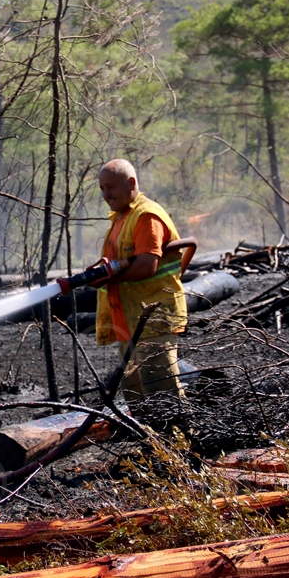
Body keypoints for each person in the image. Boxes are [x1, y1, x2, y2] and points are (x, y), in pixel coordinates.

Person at [94, 158, 188, 411]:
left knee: (160, 389)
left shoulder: (146, 215)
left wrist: (108, 277)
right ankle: (152, 446)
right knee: (135, 391)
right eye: (102, 188)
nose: (106, 194)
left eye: (111, 187)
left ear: (131, 183)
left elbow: (147, 265)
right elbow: (120, 263)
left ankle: (179, 446)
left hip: (154, 318)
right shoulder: (121, 217)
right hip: (130, 320)